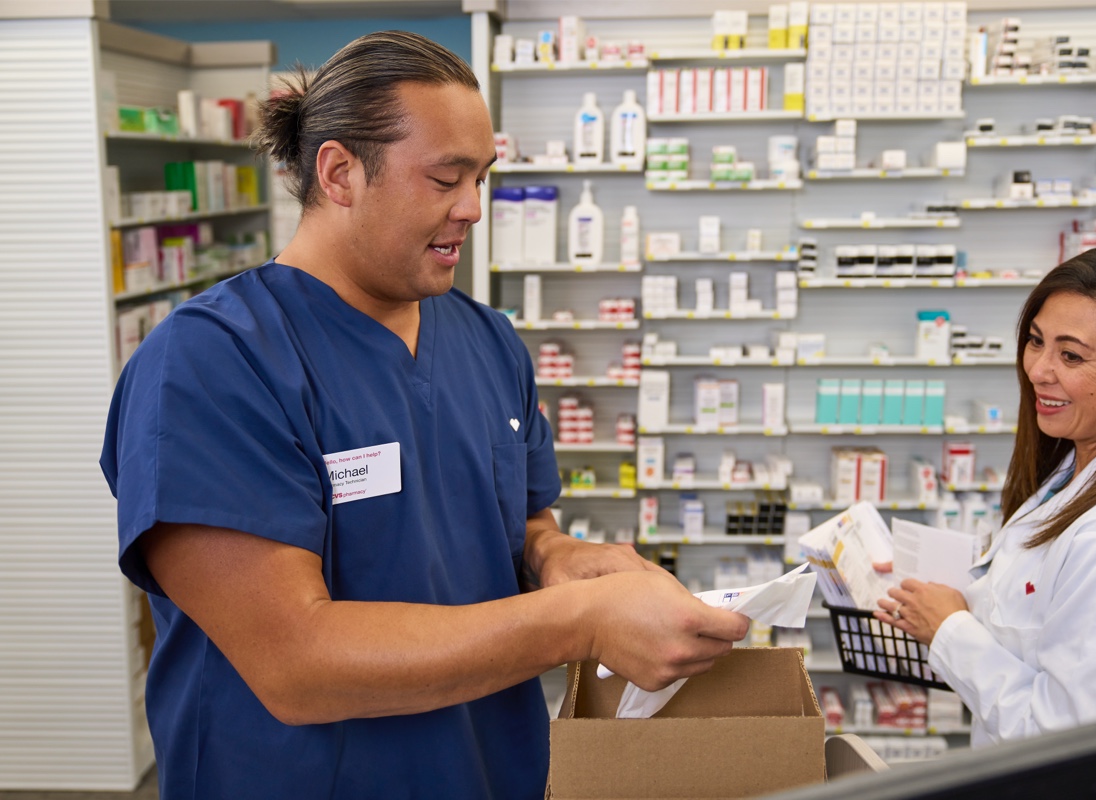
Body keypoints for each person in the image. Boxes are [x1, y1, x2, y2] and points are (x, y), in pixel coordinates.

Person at [100, 31, 748, 799]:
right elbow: (295, 663)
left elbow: (521, 525)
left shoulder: (486, 340)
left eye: (481, 177)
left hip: (490, 771)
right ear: (339, 172)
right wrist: (581, 619)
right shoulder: (213, 363)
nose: (473, 209)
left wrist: (555, 559)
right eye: (446, 177)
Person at [874, 244, 1096, 747]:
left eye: (1071, 355)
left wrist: (949, 630)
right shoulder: (1073, 472)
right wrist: (932, 598)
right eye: (1035, 341)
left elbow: (1068, 745)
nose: (1038, 370)